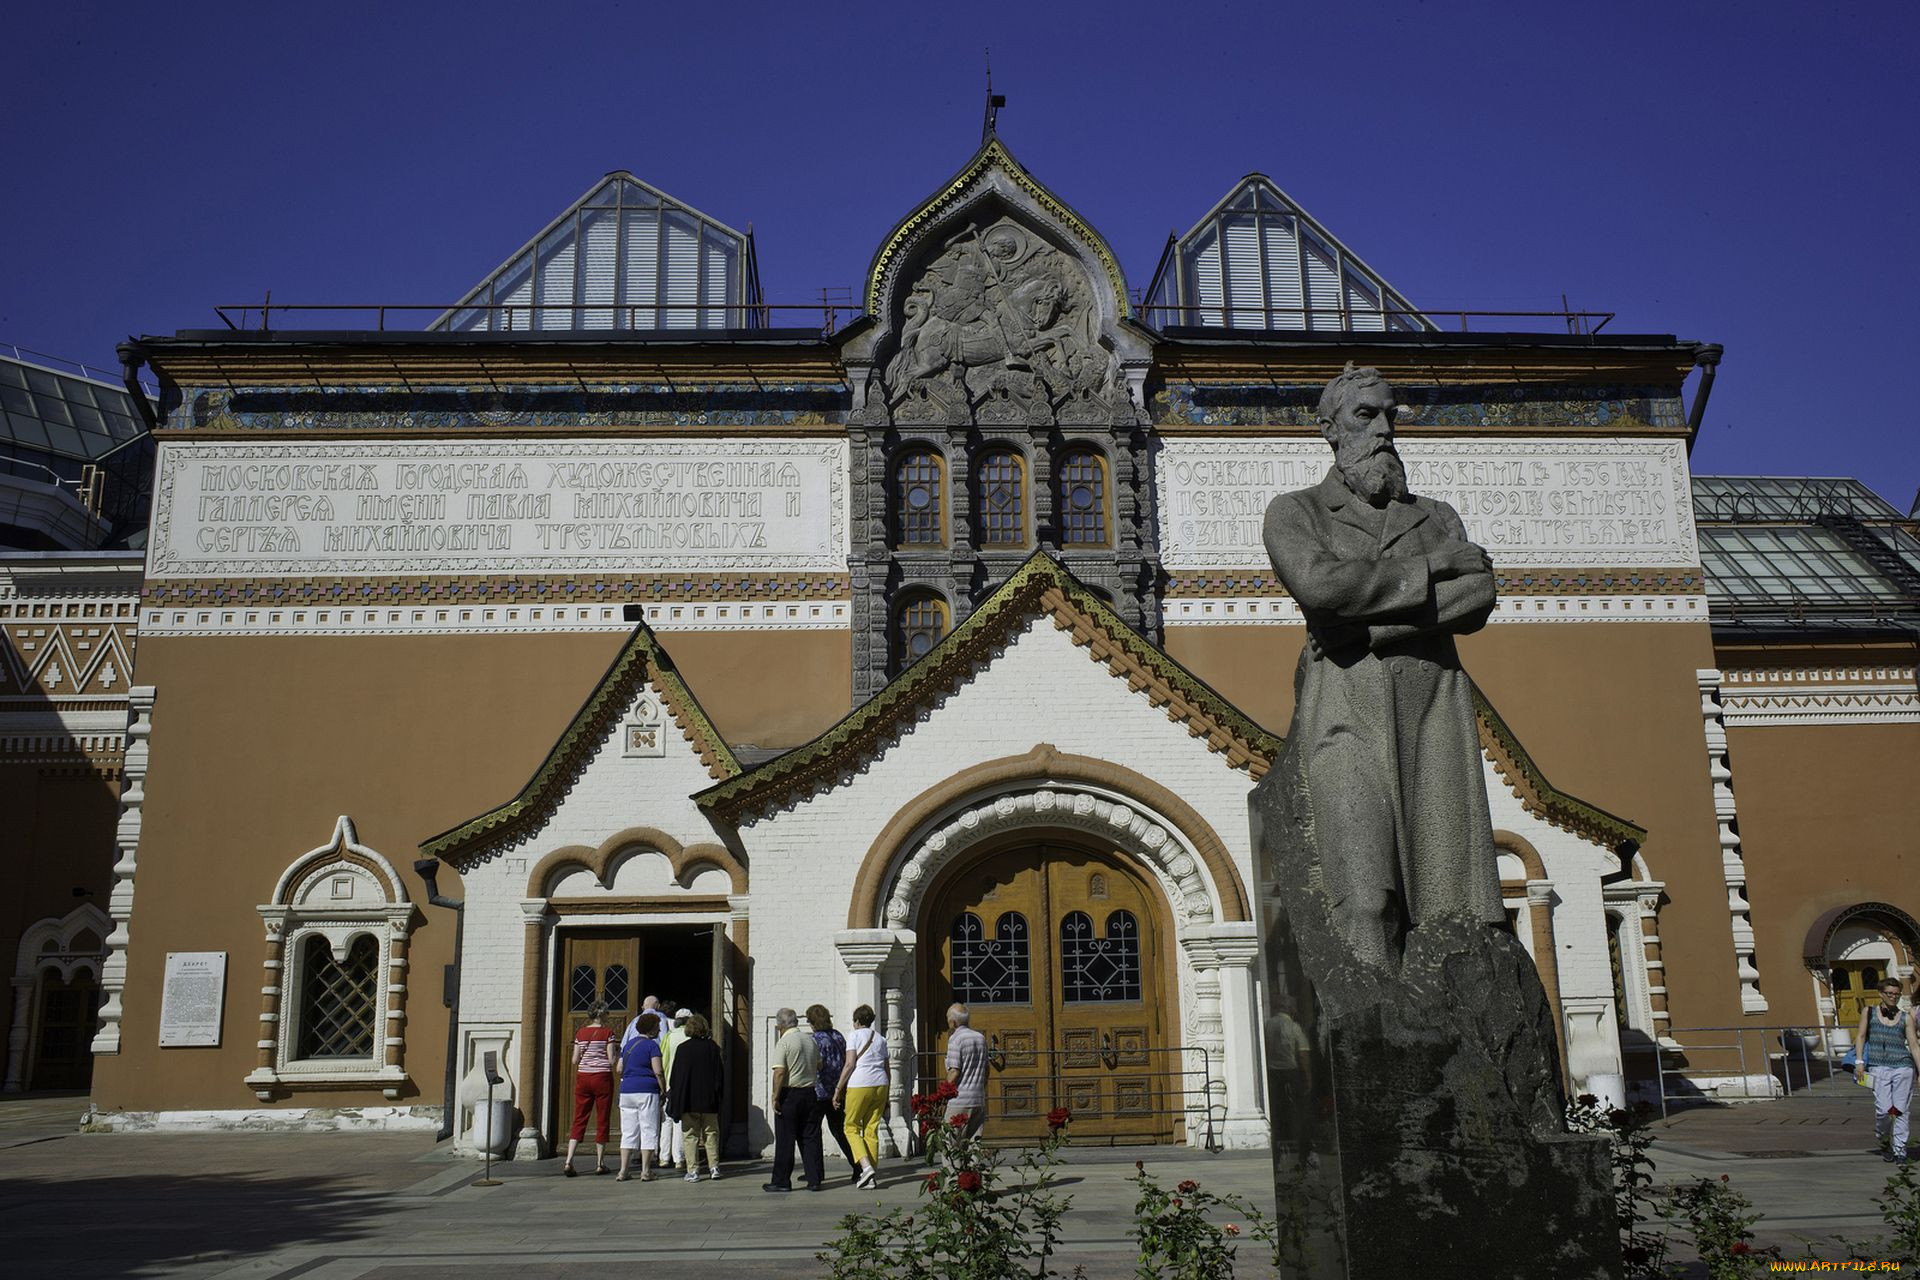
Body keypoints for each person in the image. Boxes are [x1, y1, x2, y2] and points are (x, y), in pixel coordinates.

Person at [1260, 365, 1503, 970]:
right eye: (1366, 415)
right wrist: (1435, 570)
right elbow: (1321, 588)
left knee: (1453, 902)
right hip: (1346, 711)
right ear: (1330, 429)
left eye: (1391, 414)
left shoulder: (1436, 517)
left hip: (1432, 718)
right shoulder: (1296, 513)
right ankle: (1379, 1037)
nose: (1385, 429)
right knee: (1364, 894)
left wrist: (1367, 628)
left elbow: (1477, 599)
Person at [1855, 976, 1919, 1164]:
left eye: (1896, 994)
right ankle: (1884, 1140)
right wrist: (1859, 1062)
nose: (1893, 997)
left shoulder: (1905, 1017)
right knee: (1884, 1109)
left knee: (1900, 1109)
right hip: (1877, 1066)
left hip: (1902, 1066)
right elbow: (1860, 1036)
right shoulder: (1869, 1012)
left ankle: (1900, 1150)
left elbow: (1914, 1045)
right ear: (1881, 994)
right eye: (1890, 994)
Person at [764, 1006, 824, 1192]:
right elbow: (820, 1065)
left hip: (790, 1094)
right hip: (810, 1092)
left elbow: (779, 1072)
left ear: (781, 1025)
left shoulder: (784, 1042)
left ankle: (781, 1180)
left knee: (785, 1138)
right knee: (810, 1136)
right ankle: (814, 1179)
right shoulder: (810, 1040)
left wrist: (775, 1096)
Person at [832, 1003, 890, 1189]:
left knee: (851, 1127)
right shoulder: (881, 1039)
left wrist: (838, 1089)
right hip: (881, 1084)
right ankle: (870, 1176)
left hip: (860, 1084)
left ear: (856, 1020)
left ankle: (865, 1167)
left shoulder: (854, 1035)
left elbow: (849, 1064)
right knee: (871, 1129)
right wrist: (887, 1093)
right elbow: (887, 1068)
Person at [667, 1012, 726, 1181]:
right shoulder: (713, 1048)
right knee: (711, 1133)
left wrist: (677, 1098)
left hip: (689, 1100)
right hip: (709, 1100)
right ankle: (714, 1167)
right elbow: (719, 1075)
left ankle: (693, 1170)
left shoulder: (683, 1049)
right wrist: (718, 1096)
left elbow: (676, 1077)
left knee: (690, 1135)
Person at [807, 1004, 858, 1183]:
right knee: (840, 1130)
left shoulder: (814, 1040)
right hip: (839, 1090)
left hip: (819, 1091)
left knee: (813, 1131)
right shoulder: (838, 1036)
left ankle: (816, 1173)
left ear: (812, 1022)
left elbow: (816, 1064)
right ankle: (857, 1165)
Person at [563, 1001, 614, 1176]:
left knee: (579, 1117)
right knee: (602, 1118)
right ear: (602, 1015)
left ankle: (569, 1160)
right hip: (602, 1077)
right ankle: (600, 1163)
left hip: (583, 1077)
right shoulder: (608, 1032)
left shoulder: (580, 1033)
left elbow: (574, 1060)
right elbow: (611, 1059)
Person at [615, 1011, 665, 1182]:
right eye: (657, 1027)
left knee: (628, 1131)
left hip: (627, 1090)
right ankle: (646, 1170)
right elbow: (658, 1071)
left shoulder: (628, 1045)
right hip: (646, 1090)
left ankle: (623, 1170)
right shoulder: (652, 1046)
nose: (659, 1030)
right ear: (651, 1029)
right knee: (648, 1129)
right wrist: (663, 1089)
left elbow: (619, 1069)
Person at [943, 1003, 989, 1141]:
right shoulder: (980, 1037)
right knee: (974, 1143)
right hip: (978, 1098)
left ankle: (954, 1164)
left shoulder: (956, 1039)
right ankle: (973, 1164)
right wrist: (981, 1086)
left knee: (952, 1142)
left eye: (947, 1019)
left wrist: (943, 1093)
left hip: (960, 1100)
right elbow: (986, 1068)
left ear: (953, 1022)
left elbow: (954, 1071)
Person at [658, 1005, 687, 1170]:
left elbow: (663, 1061)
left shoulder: (669, 1036)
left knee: (666, 1120)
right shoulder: (689, 1036)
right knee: (680, 1121)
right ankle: (679, 1158)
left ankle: (664, 1157)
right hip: (683, 1084)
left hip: (669, 1082)